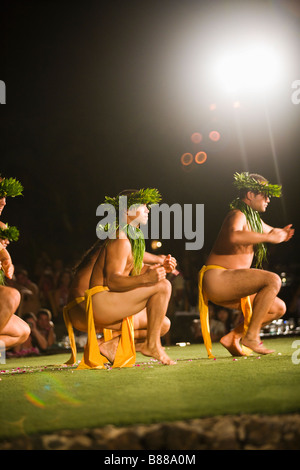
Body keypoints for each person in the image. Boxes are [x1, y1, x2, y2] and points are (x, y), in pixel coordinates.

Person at [66, 188, 177, 367]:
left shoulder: (128, 239)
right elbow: (113, 280)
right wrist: (148, 279)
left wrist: (159, 268)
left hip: (105, 302)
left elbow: (136, 271)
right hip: (98, 301)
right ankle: (152, 345)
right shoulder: (120, 238)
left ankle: (110, 346)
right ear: (127, 211)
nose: (148, 210)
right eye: (143, 206)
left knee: (162, 323)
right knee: (163, 286)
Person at [198, 172, 294, 357]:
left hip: (233, 284)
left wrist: (280, 233)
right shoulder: (237, 214)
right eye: (264, 195)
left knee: (277, 308)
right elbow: (234, 235)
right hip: (218, 278)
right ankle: (251, 337)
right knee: (273, 280)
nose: (268, 199)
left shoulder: (254, 220)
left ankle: (233, 336)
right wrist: (268, 237)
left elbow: (272, 230)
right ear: (250, 195)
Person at [0, 175, 30, 350]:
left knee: (22, 331)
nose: (3, 203)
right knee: (12, 295)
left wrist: (7, 263)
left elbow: (4, 254)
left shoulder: (2, 227)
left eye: (4, 199)